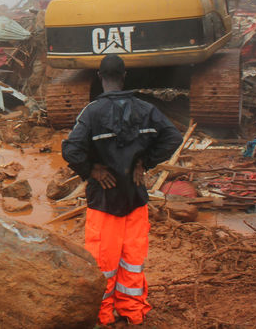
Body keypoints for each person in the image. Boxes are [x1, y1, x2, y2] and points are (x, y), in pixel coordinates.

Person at [62, 54, 182, 325]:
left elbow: (70, 149)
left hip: (105, 201)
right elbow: (173, 137)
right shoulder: (145, 109)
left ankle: (104, 315)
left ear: (99, 77)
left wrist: (92, 170)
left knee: (103, 263)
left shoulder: (91, 112)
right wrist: (145, 162)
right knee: (133, 259)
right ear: (125, 76)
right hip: (136, 199)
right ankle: (132, 311)